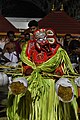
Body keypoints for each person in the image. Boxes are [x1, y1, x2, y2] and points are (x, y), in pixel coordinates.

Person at [7, 28, 79, 120]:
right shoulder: (29, 47)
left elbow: (60, 66)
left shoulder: (57, 50)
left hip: (50, 83)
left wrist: (57, 72)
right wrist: (28, 69)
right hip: (33, 80)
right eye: (39, 39)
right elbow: (26, 63)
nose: (42, 41)